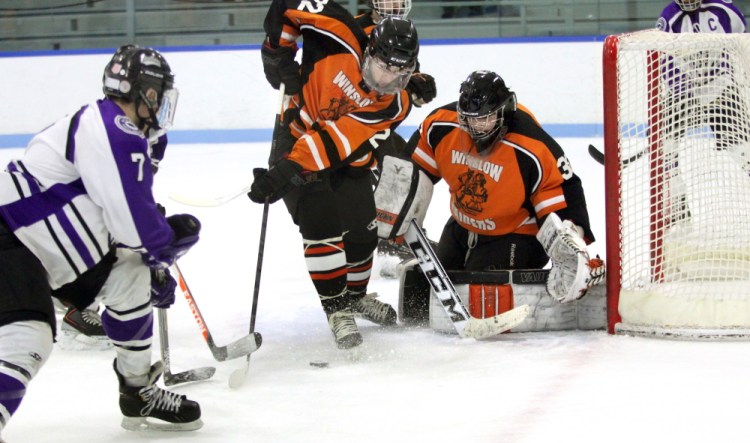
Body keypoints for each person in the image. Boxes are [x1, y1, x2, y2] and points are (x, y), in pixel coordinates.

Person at [0, 45, 202, 437]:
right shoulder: (113, 128)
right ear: (145, 91)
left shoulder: (125, 132)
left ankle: (137, 390)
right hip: (10, 235)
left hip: (48, 244)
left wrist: (149, 256)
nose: (162, 105)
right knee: (28, 337)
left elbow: (117, 214)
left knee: (130, 278)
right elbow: (130, 221)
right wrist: (162, 245)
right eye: (160, 94)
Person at [250, 0, 420, 350]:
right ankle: (337, 308)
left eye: (399, 75)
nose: (387, 81)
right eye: (382, 68)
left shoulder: (394, 102)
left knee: (363, 231)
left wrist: (287, 172)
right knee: (320, 221)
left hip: (338, 153)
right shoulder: (337, 32)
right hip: (295, 132)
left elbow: (338, 140)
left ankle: (355, 296)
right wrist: (276, 52)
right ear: (369, 49)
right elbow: (286, 5)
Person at [378, 70, 604, 312]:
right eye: (469, 119)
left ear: (504, 111)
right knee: (429, 294)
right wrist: (393, 209)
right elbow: (412, 170)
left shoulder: (532, 146)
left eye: (484, 119)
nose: (475, 128)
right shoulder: (441, 125)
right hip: (462, 226)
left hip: (517, 234)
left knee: (480, 294)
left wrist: (570, 244)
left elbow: (562, 196)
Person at [655, 0, 747, 224]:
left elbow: (742, 42)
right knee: (666, 149)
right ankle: (678, 207)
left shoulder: (724, 9)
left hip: (721, 86)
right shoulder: (669, 16)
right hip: (683, 91)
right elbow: (663, 57)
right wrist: (682, 87)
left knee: (742, 149)